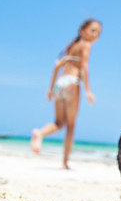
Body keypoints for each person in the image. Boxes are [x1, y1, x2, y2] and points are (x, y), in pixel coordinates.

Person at [30, 19, 101, 169]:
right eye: (93, 31)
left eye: (98, 33)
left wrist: (50, 89)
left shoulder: (71, 47)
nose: (96, 35)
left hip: (60, 85)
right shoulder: (85, 45)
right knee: (70, 126)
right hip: (72, 83)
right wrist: (88, 90)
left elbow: (57, 67)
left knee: (58, 123)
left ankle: (40, 133)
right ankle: (65, 162)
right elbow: (84, 67)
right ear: (82, 30)